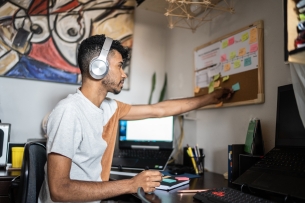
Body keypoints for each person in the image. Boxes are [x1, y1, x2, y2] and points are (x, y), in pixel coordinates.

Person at [38, 34, 233, 203]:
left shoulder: (108, 107)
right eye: (120, 66)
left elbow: (158, 110)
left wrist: (211, 98)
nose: (124, 74)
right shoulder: (69, 111)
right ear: (98, 67)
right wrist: (132, 184)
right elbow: (59, 190)